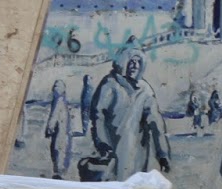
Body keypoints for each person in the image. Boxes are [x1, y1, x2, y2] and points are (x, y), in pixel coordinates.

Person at [88, 46, 170, 180]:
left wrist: (162, 153)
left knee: (134, 184)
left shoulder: (145, 90)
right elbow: (98, 116)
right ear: (122, 62)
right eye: (131, 61)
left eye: (138, 62)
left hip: (137, 152)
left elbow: (156, 122)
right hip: (113, 148)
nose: (135, 65)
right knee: (114, 184)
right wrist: (102, 143)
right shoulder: (109, 85)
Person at [45, 79, 73, 178]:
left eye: (57, 86)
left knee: (57, 149)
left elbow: (54, 116)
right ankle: (61, 170)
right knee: (63, 149)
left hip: (60, 132)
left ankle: (58, 171)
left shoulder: (59, 101)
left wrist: (49, 129)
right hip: (64, 132)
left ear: (62, 89)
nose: (55, 89)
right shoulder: (63, 100)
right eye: (55, 86)